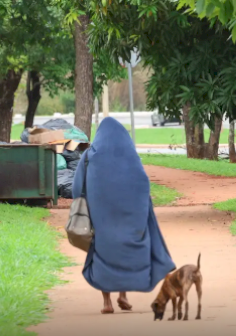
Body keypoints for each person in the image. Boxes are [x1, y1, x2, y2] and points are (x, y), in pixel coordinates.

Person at [72, 117, 176, 314]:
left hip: (101, 218)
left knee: (104, 254)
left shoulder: (89, 157)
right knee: (125, 253)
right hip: (129, 217)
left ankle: (107, 302)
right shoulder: (131, 157)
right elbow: (143, 184)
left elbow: (77, 188)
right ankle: (123, 295)